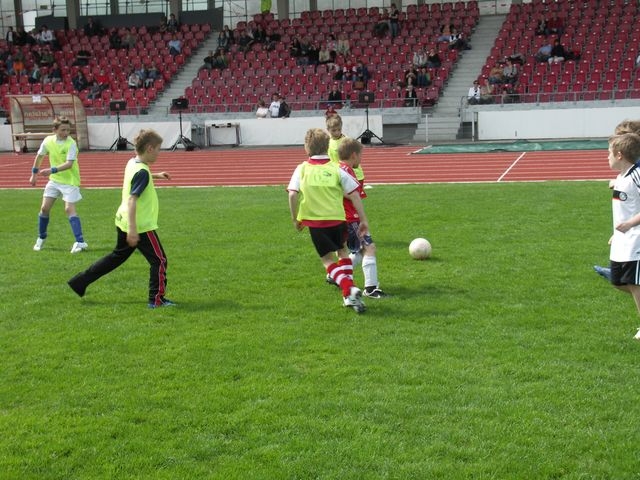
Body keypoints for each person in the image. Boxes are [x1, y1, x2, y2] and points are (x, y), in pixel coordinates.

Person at [67, 129, 175, 309]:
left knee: (116, 257)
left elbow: (138, 177)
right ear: (149, 148)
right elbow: (133, 200)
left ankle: (80, 281)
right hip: (139, 226)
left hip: (122, 220)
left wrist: (156, 175)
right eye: (158, 149)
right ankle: (156, 300)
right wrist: (133, 230)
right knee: (160, 260)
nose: (159, 153)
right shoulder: (142, 172)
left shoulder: (133, 162)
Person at [286, 128, 368, 313]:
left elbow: (292, 194)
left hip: (316, 222)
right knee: (343, 252)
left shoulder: (302, 168)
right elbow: (355, 194)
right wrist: (363, 220)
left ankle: (348, 288)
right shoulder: (337, 168)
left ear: (306, 148)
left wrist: (295, 219)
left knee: (327, 261)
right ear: (328, 147)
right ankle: (349, 297)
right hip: (338, 219)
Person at [596, 133, 640, 339]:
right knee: (617, 282)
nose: (607, 157)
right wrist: (616, 234)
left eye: (609, 153)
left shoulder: (636, 176)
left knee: (634, 283)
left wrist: (630, 224)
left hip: (636, 240)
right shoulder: (622, 177)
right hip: (621, 240)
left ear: (620, 155)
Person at [338, 137, 388, 298]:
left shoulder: (338, 168)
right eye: (361, 155)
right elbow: (346, 193)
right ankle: (371, 289)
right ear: (354, 155)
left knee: (358, 251)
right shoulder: (345, 171)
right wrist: (362, 218)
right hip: (350, 218)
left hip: (341, 217)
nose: (361, 159)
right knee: (369, 248)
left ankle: (337, 275)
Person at [29, 116, 87, 254]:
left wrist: (51, 170)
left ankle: (80, 242)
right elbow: (39, 157)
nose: (66, 133)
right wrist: (34, 174)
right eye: (63, 130)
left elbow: (69, 164)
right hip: (55, 181)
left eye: (68, 130)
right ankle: (41, 237)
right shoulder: (48, 141)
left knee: (69, 209)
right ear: (54, 130)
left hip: (70, 181)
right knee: (44, 208)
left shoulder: (71, 143)